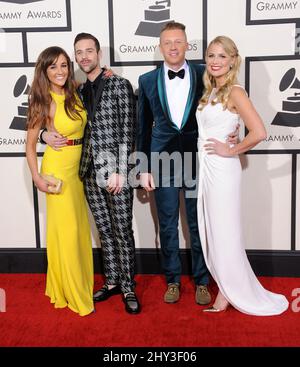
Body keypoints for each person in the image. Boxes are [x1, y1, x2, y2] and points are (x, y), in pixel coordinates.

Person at [137, 22, 238, 304]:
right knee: (167, 225)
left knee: (198, 224)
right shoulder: (146, 80)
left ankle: (202, 281)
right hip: (162, 161)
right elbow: (142, 128)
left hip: (199, 159)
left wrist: (235, 129)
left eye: (178, 41)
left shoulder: (204, 72)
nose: (173, 47)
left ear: (187, 46)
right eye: (167, 42)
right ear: (160, 47)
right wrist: (142, 168)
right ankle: (172, 280)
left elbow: (227, 102)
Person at [42, 33, 140, 314]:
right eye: (79, 52)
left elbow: (128, 129)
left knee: (122, 230)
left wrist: (121, 170)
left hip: (115, 172)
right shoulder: (75, 91)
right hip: (86, 172)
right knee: (105, 231)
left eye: (89, 51)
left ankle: (128, 286)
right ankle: (111, 281)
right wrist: (43, 137)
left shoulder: (120, 84)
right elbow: (56, 121)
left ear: (99, 53)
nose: (84, 56)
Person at [196, 35, 289, 315]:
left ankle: (228, 292)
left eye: (222, 56)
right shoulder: (211, 91)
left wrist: (233, 148)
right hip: (208, 169)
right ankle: (227, 287)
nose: (215, 61)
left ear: (233, 61)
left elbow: (260, 132)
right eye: (211, 55)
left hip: (223, 171)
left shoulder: (236, 91)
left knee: (225, 232)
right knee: (216, 231)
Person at [26, 46, 94, 316]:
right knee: (67, 235)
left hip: (78, 171)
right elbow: (29, 146)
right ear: (44, 70)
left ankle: (70, 284)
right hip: (57, 174)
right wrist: (37, 178)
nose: (60, 71)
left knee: (78, 232)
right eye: (53, 66)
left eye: (64, 65)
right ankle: (75, 295)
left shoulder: (74, 92)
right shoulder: (43, 100)